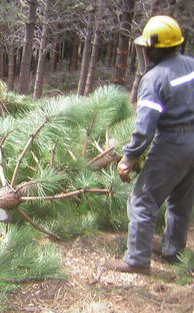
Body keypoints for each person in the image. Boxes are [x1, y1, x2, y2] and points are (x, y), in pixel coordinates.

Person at [105, 16, 194, 274]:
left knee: (143, 199)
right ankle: (173, 250)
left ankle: (136, 260)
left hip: (173, 142)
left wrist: (128, 158)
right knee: (180, 199)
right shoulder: (191, 65)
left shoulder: (154, 79)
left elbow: (145, 127)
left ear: (153, 48)